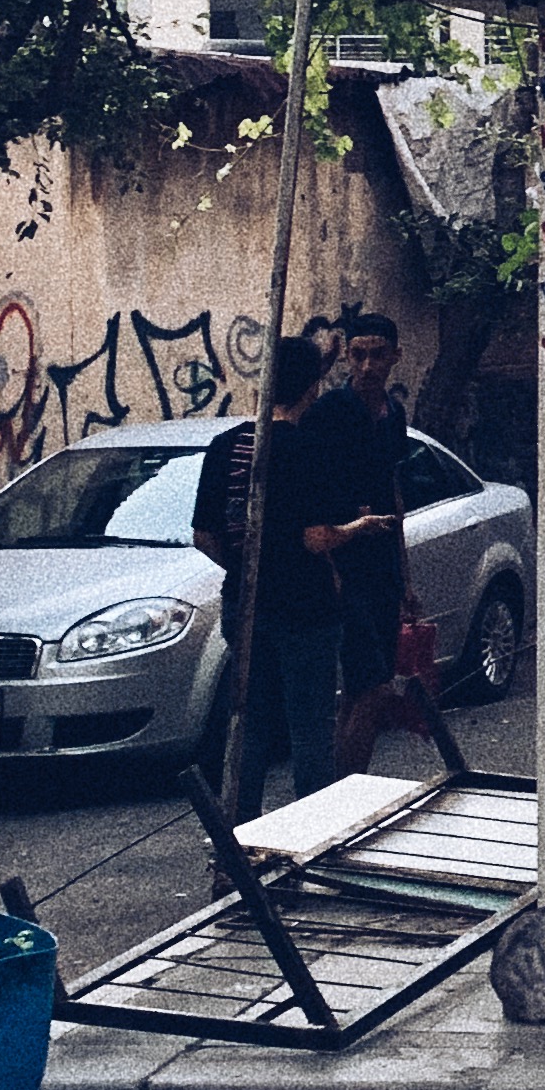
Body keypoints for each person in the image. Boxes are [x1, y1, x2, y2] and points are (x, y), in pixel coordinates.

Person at [190, 335, 385, 818]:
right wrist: (358, 528)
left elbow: (205, 536)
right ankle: (311, 844)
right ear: (312, 386)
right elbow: (316, 538)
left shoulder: (226, 446)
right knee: (310, 734)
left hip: (246, 606)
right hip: (306, 610)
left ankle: (239, 838)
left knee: (250, 726)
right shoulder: (307, 448)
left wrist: (246, 566)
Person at [314, 311, 412, 759]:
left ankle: (343, 787)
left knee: (363, 687)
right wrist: (328, 568)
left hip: (383, 568)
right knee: (373, 685)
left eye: (377, 355)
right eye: (358, 355)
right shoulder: (332, 410)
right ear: (347, 358)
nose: (368, 365)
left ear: (394, 356)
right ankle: (346, 787)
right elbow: (308, 490)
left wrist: (406, 579)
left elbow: (394, 492)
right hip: (343, 563)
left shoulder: (394, 414)